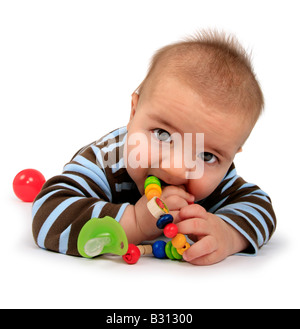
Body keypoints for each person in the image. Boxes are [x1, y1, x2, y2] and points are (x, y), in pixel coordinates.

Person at [32, 30, 276, 265]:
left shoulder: (219, 179)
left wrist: (229, 233)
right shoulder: (105, 159)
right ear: (134, 112)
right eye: (162, 135)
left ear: (232, 156)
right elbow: (47, 214)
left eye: (206, 155)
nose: (177, 169)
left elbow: (260, 206)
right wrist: (135, 222)